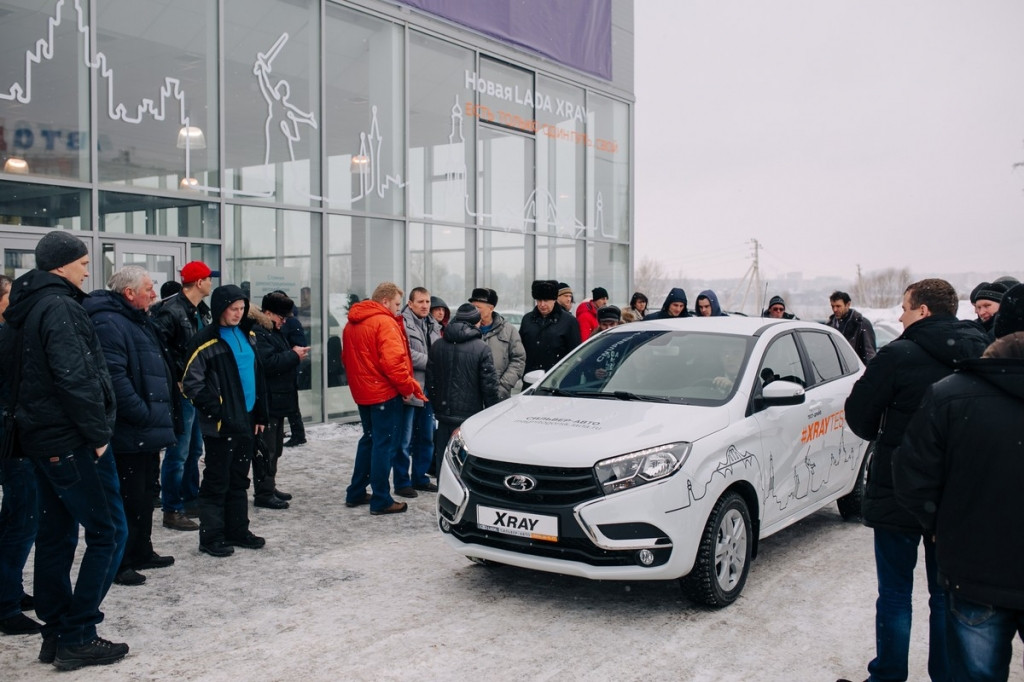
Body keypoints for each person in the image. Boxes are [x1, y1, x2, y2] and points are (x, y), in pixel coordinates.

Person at [844, 278, 988, 682]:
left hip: (899, 487)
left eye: (905, 308)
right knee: (946, 594)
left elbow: (859, 415)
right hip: (957, 491)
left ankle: (889, 675)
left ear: (923, 311)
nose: (900, 316)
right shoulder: (981, 351)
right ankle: (944, 675)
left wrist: (890, 435)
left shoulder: (897, 354)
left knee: (894, 592)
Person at [0, 230, 128, 669]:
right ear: (60, 265)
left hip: (41, 441)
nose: (88, 269)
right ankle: (77, 633)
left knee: (56, 536)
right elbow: (74, 377)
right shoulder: (59, 307)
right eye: (82, 261)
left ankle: (56, 633)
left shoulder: (26, 306)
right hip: (70, 441)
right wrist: (96, 437)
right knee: (108, 532)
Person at [894, 332, 1024, 681]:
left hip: (974, 569)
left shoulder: (951, 394)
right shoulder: (951, 394)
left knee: (977, 674)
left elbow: (911, 474)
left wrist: (936, 523)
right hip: (974, 568)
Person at [83, 266, 177, 587]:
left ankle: (141, 550)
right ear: (129, 293)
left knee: (145, 494)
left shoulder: (137, 319)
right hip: (128, 429)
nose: (154, 294)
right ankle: (121, 561)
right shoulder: (109, 322)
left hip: (146, 428)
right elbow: (113, 378)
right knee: (127, 497)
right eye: (149, 289)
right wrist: (143, 412)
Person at [182, 285, 269, 557]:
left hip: (247, 419)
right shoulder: (205, 340)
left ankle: (237, 530)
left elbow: (257, 376)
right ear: (221, 308)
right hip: (220, 425)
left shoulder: (248, 334)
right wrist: (218, 410)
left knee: (239, 479)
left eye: (242, 309)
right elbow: (191, 384)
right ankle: (211, 536)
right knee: (217, 481)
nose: (238, 313)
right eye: (233, 309)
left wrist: (260, 414)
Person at [342, 282, 426, 515]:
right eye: (397, 304)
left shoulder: (352, 323)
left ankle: (356, 491)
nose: (398, 310)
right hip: (384, 394)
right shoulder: (384, 322)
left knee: (369, 440)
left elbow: (346, 359)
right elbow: (394, 363)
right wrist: (410, 387)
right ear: (385, 301)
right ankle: (381, 499)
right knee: (383, 444)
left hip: (364, 393)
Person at [153, 261, 218, 532]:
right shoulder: (172, 312)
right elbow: (160, 350)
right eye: (208, 278)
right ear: (199, 282)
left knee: (193, 450)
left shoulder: (199, 310)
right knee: (178, 452)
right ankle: (172, 508)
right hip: (182, 391)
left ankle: (190, 498)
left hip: (197, 389)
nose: (211, 283)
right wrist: (178, 379)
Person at [0, 273, 40, 636]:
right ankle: (5, 604)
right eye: (10, 295)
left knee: (18, 518)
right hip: (14, 442)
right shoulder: (6, 340)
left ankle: (9, 589)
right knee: (21, 519)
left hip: (17, 437)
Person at [427, 303, 500, 475]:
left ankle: (444, 493)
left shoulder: (438, 345)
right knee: (464, 464)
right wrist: (491, 412)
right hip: (470, 417)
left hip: (444, 414)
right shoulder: (481, 348)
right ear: (476, 323)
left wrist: (438, 404)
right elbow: (489, 386)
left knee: (443, 462)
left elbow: (431, 381)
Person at [251, 292, 308, 510]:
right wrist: (294, 355)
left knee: (275, 448)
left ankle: (268, 486)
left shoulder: (272, 330)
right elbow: (268, 363)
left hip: (277, 399)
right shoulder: (260, 332)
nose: (284, 322)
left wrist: (292, 354)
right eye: (281, 317)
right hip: (269, 401)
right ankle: (263, 491)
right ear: (268, 313)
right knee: (268, 449)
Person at [394, 287, 441, 498]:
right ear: (410, 304)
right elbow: (404, 354)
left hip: (429, 390)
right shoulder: (401, 323)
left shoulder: (433, 324)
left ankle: (420, 478)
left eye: (427, 301)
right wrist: (432, 362)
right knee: (404, 441)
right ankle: (402, 482)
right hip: (410, 389)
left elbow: (438, 349)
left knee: (426, 437)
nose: (425, 306)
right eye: (420, 301)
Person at [519, 280, 581, 383]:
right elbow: (521, 350)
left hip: (558, 381)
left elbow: (575, 354)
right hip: (530, 379)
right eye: (539, 300)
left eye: (546, 300)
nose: (542, 304)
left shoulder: (569, 322)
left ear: (554, 300)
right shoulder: (527, 320)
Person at [471, 287, 526, 401]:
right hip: (470, 396)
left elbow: (518, 359)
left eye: (478, 307)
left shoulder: (509, 330)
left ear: (491, 308)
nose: (474, 310)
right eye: (473, 307)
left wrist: (503, 387)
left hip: (498, 396)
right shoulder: (464, 329)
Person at [279, 296, 308, 447]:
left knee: (292, 403)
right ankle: (294, 432)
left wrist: (291, 355)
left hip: (290, 365)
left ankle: (298, 434)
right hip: (287, 364)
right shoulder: (289, 321)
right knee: (290, 402)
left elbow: (300, 344)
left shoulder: (292, 322)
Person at [827, 291, 876, 363]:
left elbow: (869, 353)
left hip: (856, 369)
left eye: (838, 306)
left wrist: (868, 372)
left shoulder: (861, 324)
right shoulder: (830, 324)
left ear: (848, 305)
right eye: (832, 306)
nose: (835, 310)